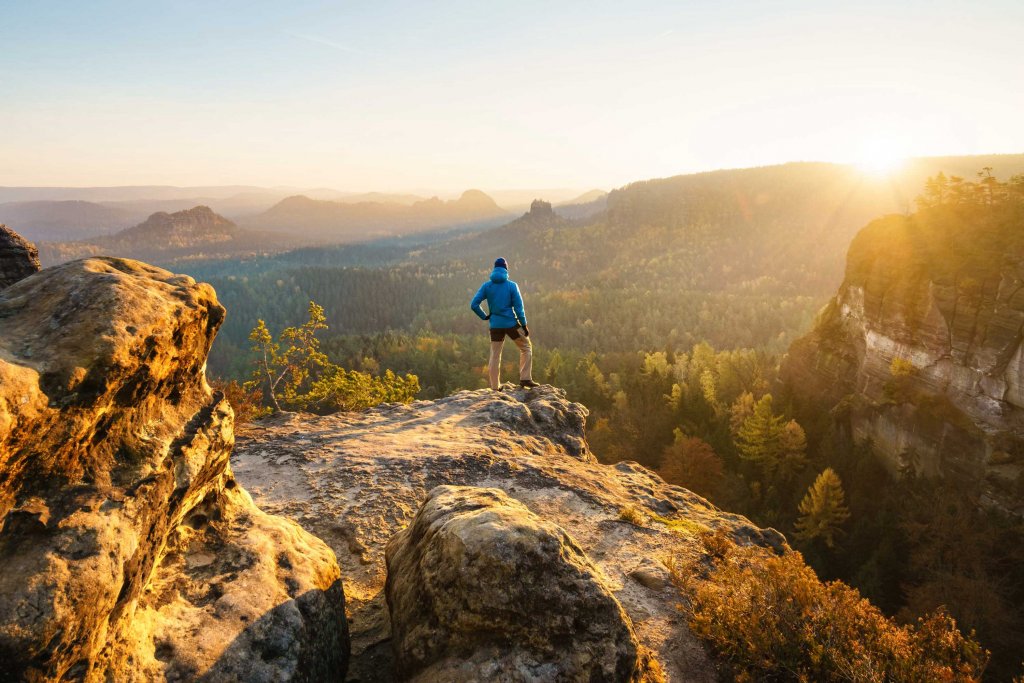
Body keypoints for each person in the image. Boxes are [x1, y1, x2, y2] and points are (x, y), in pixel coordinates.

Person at [470, 257, 539, 390]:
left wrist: (484, 316)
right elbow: (519, 308)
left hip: (495, 325)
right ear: (506, 269)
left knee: (495, 355)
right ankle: (525, 379)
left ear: (494, 269)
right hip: (511, 324)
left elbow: (474, 305)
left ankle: (495, 387)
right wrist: (524, 325)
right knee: (526, 347)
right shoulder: (512, 285)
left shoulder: (487, 286)